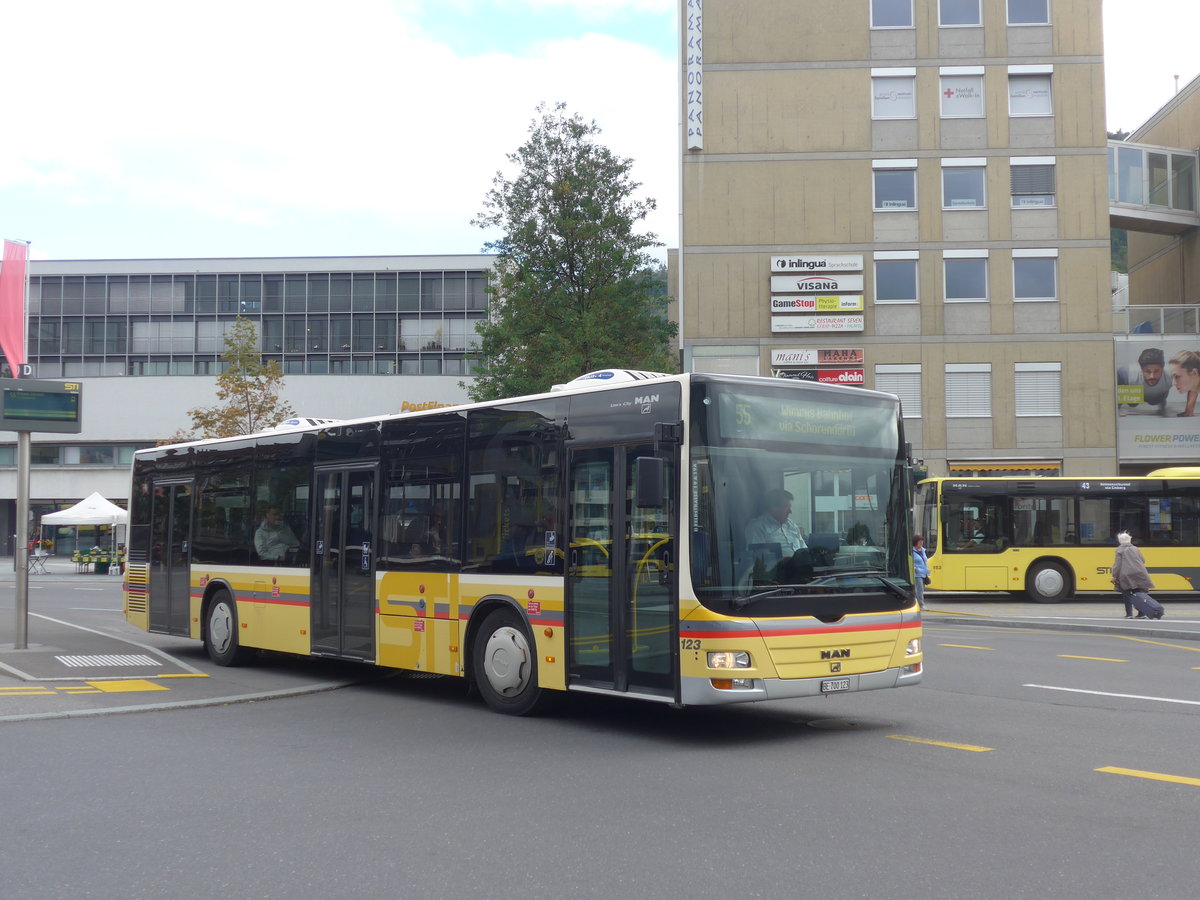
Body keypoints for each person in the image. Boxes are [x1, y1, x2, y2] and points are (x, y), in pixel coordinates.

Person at [1111, 531, 1162, 619]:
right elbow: (1143, 560)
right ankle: (1141, 614)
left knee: (1127, 593)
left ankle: (1129, 614)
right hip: (1140, 573)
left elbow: (1117, 565)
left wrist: (1114, 576)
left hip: (1126, 574)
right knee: (1139, 593)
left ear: (1120, 541)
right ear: (1129, 540)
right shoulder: (1135, 548)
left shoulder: (1119, 550)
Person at [744, 488, 807, 553]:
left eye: (790, 507)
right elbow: (757, 557)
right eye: (786, 507)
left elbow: (804, 549)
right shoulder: (758, 526)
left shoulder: (791, 524)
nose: (790, 511)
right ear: (773, 508)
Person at [1117, 348, 1169, 416]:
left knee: (1156, 400)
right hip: (1135, 389)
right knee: (1132, 403)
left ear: (1162, 369)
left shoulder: (1168, 378)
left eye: (1156, 371)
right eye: (1148, 371)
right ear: (1141, 369)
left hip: (1154, 395)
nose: (1152, 376)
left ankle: (1159, 401)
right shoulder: (1126, 374)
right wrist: (1115, 409)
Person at [1166, 350, 1200, 417]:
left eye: (1177, 377)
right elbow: (1193, 388)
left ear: (1194, 372)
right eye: (1172, 377)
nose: (1173, 383)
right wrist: (1189, 411)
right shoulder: (1194, 380)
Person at [912, 534, 930, 610]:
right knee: (920, 589)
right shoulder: (912, 551)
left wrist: (927, 572)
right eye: (919, 541)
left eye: (922, 541)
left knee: (921, 589)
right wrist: (914, 568)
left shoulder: (923, 550)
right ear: (915, 542)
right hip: (917, 574)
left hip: (924, 573)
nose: (921, 543)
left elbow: (925, 561)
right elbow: (909, 561)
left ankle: (916, 603)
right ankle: (921, 605)